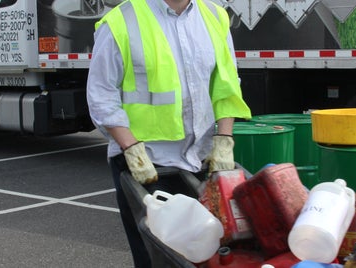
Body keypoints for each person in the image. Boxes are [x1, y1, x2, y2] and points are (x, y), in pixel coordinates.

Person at [86, 0, 251, 266]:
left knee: (207, 255)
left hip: (201, 159)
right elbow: (101, 95)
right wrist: (131, 148)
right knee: (158, 259)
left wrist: (224, 139)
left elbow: (228, 83)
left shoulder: (214, 16)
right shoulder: (121, 21)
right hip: (146, 165)